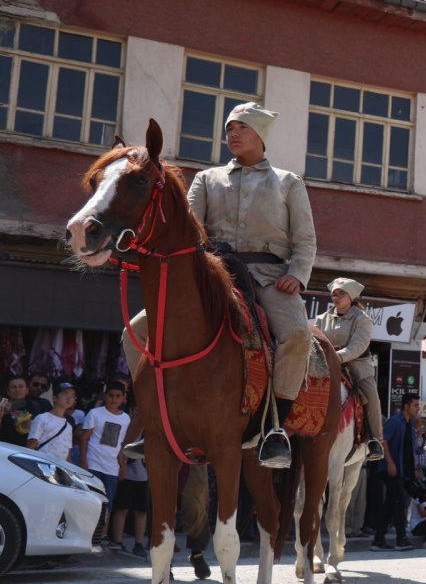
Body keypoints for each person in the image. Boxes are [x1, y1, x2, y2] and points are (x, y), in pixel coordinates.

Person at [124, 102, 317, 469]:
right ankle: (153, 419)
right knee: (133, 331)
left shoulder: (289, 182)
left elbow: (305, 239)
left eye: (241, 127)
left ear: (260, 134)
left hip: (268, 277)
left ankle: (275, 428)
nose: (232, 134)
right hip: (212, 273)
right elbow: (188, 226)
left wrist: (297, 274)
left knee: (297, 335)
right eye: (229, 128)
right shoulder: (207, 179)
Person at [315, 277, 384, 460]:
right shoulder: (321, 319)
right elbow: (313, 341)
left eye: (341, 293)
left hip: (356, 367)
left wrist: (338, 356)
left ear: (351, 296)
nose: (336, 297)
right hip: (325, 365)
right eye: (334, 294)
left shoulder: (363, 319)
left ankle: (375, 439)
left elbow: (359, 345)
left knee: (372, 396)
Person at [371, 393, 419, 552]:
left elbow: (410, 449)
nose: (418, 408)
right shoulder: (394, 422)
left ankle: (378, 540)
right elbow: (384, 442)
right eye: (415, 405)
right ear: (406, 406)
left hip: (403, 471)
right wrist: (390, 463)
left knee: (391, 504)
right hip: (391, 469)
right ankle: (401, 539)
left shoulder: (409, 424)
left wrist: (415, 469)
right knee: (399, 503)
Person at [80, 383, 131, 514]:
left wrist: (123, 465)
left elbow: (123, 444)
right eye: (111, 395)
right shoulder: (94, 413)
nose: (114, 399)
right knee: (89, 501)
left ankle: (102, 534)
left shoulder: (126, 418)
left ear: (123, 397)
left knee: (108, 504)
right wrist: (83, 461)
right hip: (93, 463)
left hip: (112, 467)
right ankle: (88, 533)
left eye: (117, 396)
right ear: (104, 396)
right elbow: (84, 438)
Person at [26, 381, 78, 461]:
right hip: (40, 462)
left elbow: (67, 453)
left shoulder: (69, 426)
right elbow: (32, 444)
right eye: (66, 394)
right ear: (55, 398)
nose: (69, 398)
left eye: (73, 396)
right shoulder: (42, 418)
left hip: (58, 468)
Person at [111, 456, 150, 559]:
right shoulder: (127, 439)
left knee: (141, 511)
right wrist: (122, 465)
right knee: (122, 509)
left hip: (143, 476)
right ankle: (118, 542)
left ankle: (138, 544)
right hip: (127, 474)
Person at [1, 375, 50, 446]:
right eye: (13, 387)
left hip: (25, 450)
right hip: (4, 448)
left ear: (27, 390)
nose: (17, 390)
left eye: (21, 386)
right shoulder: (2, 406)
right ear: (8, 392)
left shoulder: (34, 406)